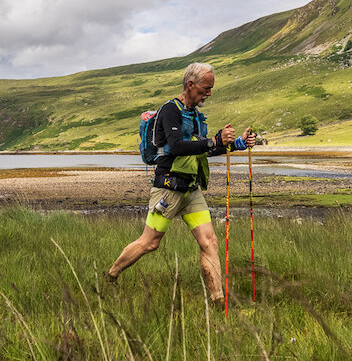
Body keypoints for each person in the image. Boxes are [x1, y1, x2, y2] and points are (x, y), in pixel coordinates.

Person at [107, 62, 256, 305]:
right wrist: (213, 140)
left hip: (191, 190)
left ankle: (218, 302)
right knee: (149, 243)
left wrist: (236, 143)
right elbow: (177, 147)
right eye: (205, 89)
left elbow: (201, 150)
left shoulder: (196, 116)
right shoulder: (170, 110)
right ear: (190, 85)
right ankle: (110, 276)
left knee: (209, 242)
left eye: (210, 89)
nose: (208, 93)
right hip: (168, 188)